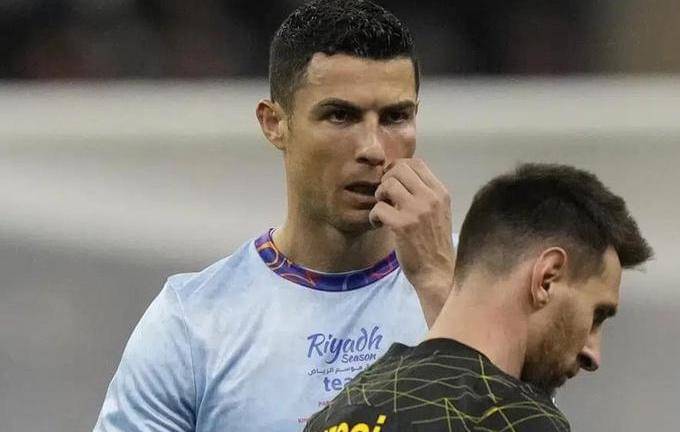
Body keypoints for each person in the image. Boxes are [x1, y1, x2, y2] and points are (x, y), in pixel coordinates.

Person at [93, 1, 454, 431]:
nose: (373, 149)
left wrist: (440, 285)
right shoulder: (191, 324)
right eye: (340, 116)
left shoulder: (481, 282)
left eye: (395, 117)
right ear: (274, 123)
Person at [305, 163, 654, 432]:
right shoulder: (515, 419)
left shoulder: (336, 413)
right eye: (596, 315)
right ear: (546, 278)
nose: (593, 354)